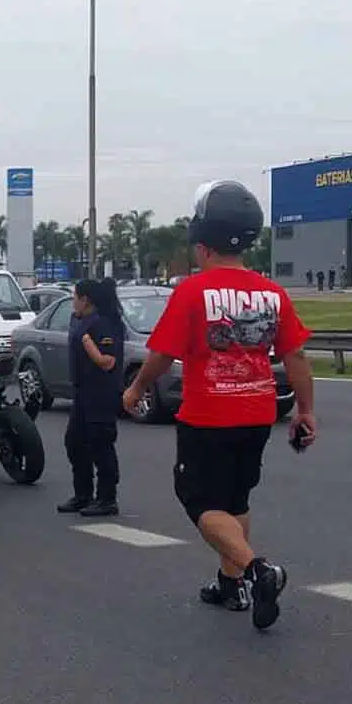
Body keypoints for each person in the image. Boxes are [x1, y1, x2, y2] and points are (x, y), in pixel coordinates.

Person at [122, 181, 316, 631]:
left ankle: (257, 571)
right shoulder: (273, 294)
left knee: (198, 499)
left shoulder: (192, 292)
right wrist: (305, 410)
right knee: (235, 498)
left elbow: (162, 355)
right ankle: (230, 585)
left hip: (208, 415)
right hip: (258, 413)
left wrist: (135, 389)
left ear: (201, 241)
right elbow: (297, 357)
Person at [58, 278, 123, 517]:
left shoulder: (103, 325)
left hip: (101, 393)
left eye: (75, 297)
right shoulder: (81, 321)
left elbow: (108, 362)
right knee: (74, 443)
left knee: (101, 445)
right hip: (82, 392)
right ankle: (82, 494)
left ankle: (107, 498)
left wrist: (87, 344)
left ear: (85, 299)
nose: (73, 301)